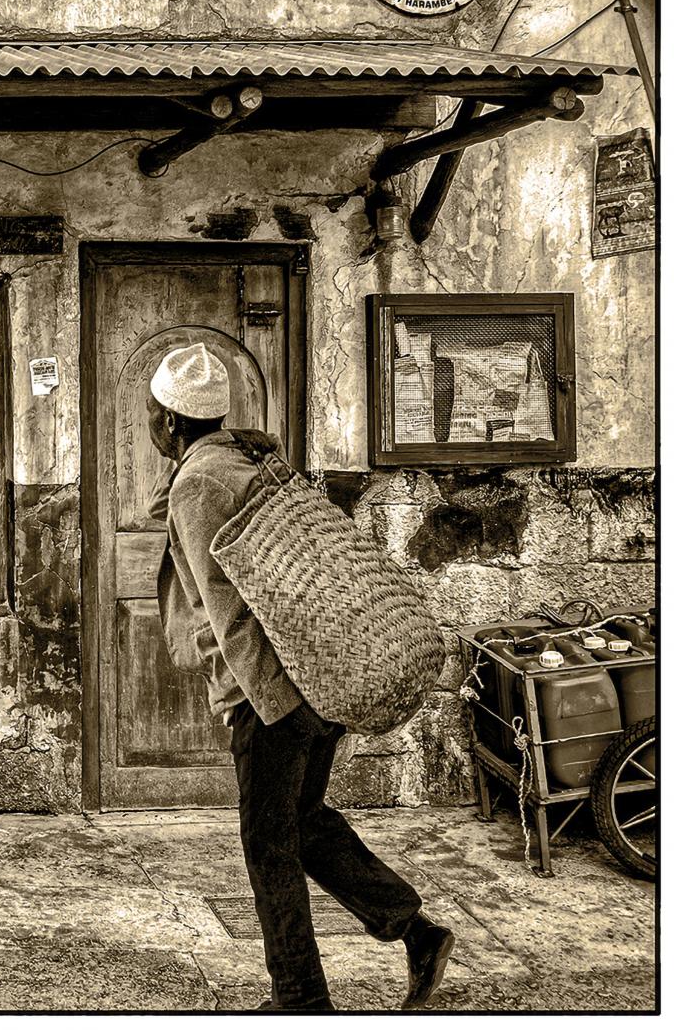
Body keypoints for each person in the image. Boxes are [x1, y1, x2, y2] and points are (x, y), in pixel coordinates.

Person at [145, 342, 454, 1012]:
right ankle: (415, 930)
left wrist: (257, 703)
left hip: (273, 695)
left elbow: (227, 609)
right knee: (306, 824)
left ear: (169, 421)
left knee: (268, 845)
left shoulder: (197, 483)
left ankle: (301, 999)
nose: (151, 422)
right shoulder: (249, 458)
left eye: (152, 412)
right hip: (320, 673)